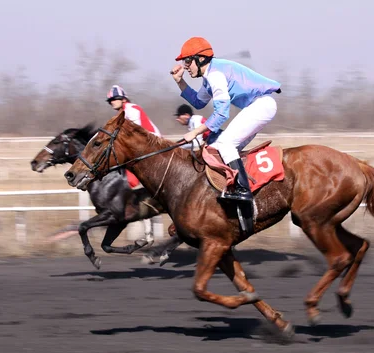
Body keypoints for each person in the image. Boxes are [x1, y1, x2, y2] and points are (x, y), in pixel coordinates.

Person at [170, 37, 281, 204]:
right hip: (258, 106)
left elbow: (221, 114)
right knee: (219, 148)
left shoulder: (215, 75)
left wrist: (194, 132)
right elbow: (198, 102)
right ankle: (241, 186)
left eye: (188, 61)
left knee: (225, 145)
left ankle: (243, 191)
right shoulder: (209, 77)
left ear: (200, 59)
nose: (186, 66)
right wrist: (180, 81)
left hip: (261, 105)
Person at [106, 84, 163, 243]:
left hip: (152, 146)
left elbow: (135, 134)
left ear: (123, 99)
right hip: (143, 148)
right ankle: (147, 226)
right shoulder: (122, 113)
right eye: (110, 100)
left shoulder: (131, 109)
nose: (111, 102)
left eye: (114, 99)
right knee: (132, 183)